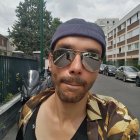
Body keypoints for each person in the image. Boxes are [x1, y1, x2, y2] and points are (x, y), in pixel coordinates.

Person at [16, 18, 139, 140]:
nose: (76, 68)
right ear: (50, 61)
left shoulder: (117, 121)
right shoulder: (30, 108)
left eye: (91, 58)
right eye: (63, 54)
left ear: (99, 67)